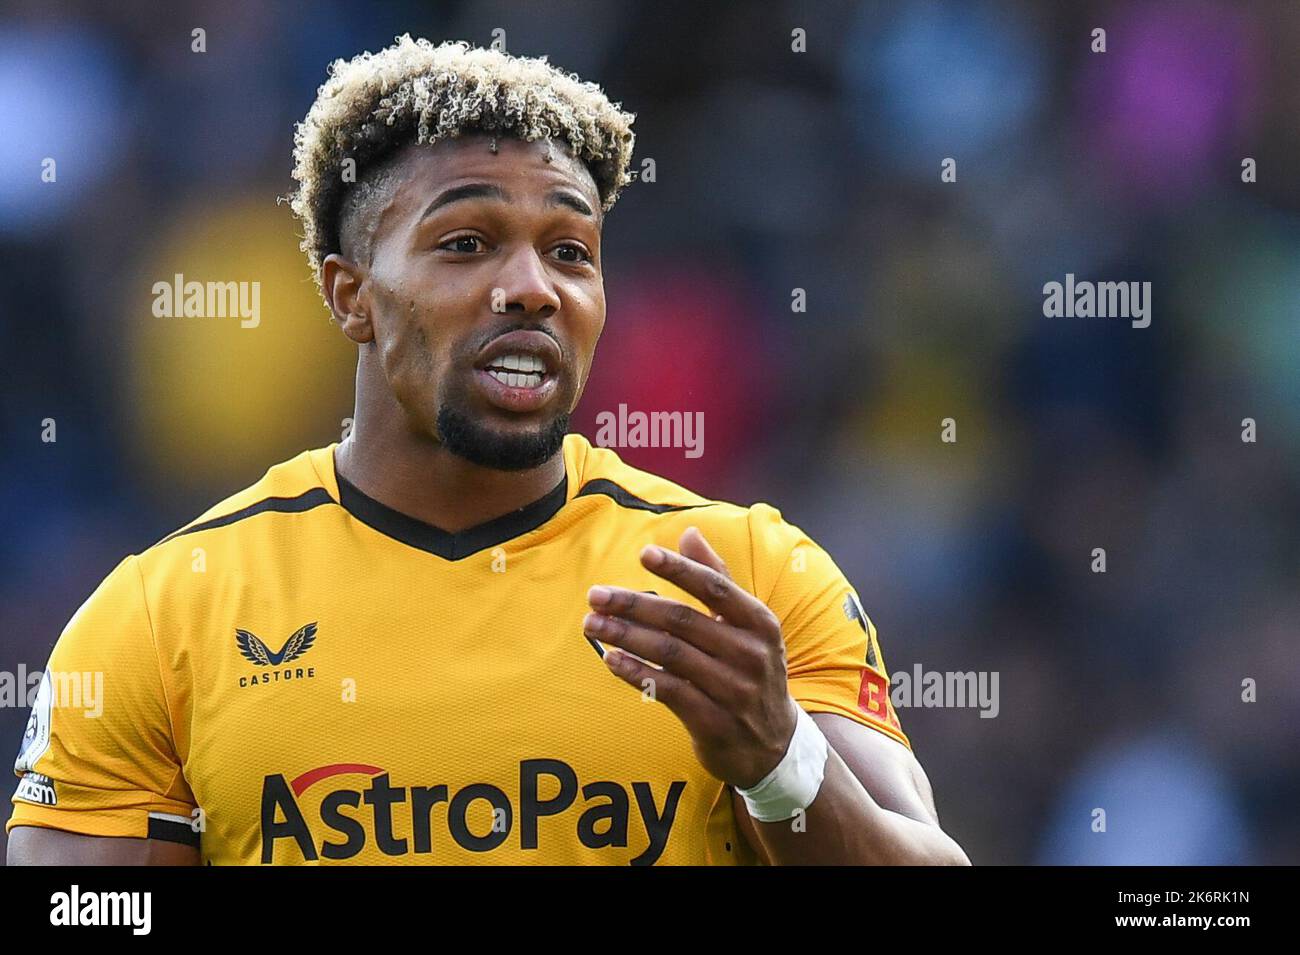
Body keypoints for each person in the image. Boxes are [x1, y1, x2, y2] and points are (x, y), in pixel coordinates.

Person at [7, 36, 968, 865]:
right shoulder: (165, 612)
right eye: (466, 242)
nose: (532, 287)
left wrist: (780, 761)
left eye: (570, 250)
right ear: (351, 296)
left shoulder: (744, 578)